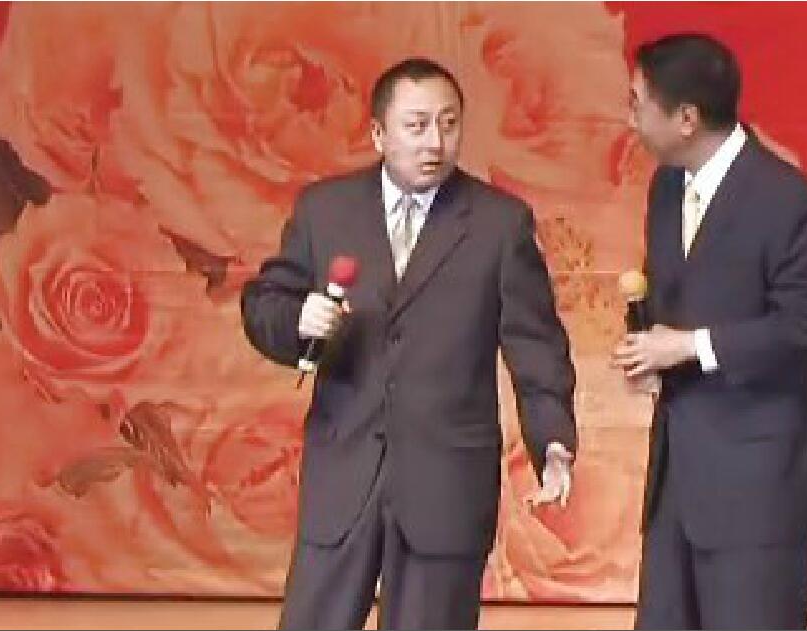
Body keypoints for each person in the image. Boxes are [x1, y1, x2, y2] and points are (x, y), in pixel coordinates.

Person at [241, 57, 577, 630]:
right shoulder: (325, 209)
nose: (435, 143)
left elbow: (537, 347)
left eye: (449, 124)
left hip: (445, 477)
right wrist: (299, 317)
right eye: (417, 126)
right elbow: (264, 302)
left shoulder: (499, 224)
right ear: (379, 133)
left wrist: (553, 444)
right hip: (345, 468)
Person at [612, 34, 807, 629]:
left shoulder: (788, 200)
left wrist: (689, 347)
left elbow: (804, 324)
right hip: (677, 483)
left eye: (637, 102)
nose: (629, 118)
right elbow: (672, 295)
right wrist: (648, 353)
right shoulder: (667, 187)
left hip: (759, 487)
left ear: (686, 118)